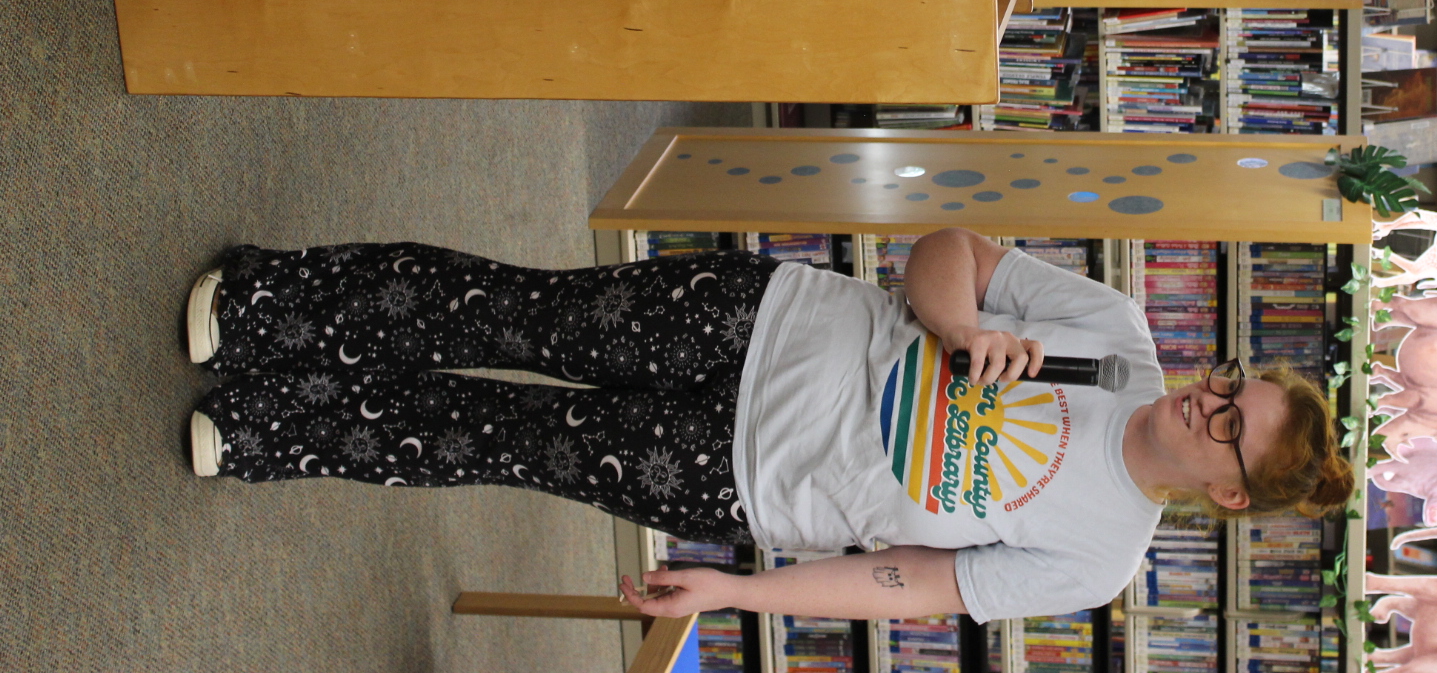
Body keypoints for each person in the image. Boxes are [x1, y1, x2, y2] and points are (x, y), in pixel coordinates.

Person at [184, 227, 1353, 621]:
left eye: (1226, 426)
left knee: (502, 439)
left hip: (745, 479)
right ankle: (266, 300)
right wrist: (954, 328)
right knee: (519, 310)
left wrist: (735, 590)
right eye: (1228, 381)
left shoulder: (1099, 558)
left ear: (1231, 490)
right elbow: (938, 252)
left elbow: (907, 580)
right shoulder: (1114, 330)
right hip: (753, 320)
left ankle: (267, 424)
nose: (1202, 396)